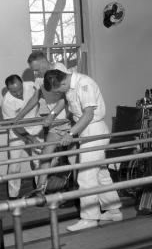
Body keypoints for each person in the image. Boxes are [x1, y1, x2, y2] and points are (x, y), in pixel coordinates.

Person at [43, 62, 123, 232]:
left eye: (58, 90)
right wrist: (58, 120)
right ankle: (113, 210)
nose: (58, 94)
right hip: (86, 131)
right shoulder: (69, 85)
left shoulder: (84, 84)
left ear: (63, 83)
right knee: (101, 173)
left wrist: (70, 134)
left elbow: (88, 115)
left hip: (94, 130)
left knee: (86, 176)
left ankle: (89, 218)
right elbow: (68, 104)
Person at [14, 52, 72, 191]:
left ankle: (74, 190)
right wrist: (19, 117)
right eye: (35, 71)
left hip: (68, 120)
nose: (37, 72)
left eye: (37, 69)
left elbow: (65, 98)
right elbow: (35, 98)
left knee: (72, 158)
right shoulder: (40, 79)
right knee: (45, 157)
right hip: (56, 122)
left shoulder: (59, 69)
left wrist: (51, 115)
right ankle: (40, 190)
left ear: (44, 61)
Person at [1, 74, 43, 199]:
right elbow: (15, 125)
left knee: (39, 161)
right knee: (14, 164)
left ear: (22, 83)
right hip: (17, 133)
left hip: (36, 127)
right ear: (8, 90)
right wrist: (31, 138)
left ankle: (40, 190)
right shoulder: (6, 102)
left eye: (20, 89)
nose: (18, 93)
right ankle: (13, 196)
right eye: (14, 91)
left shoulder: (31, 86)